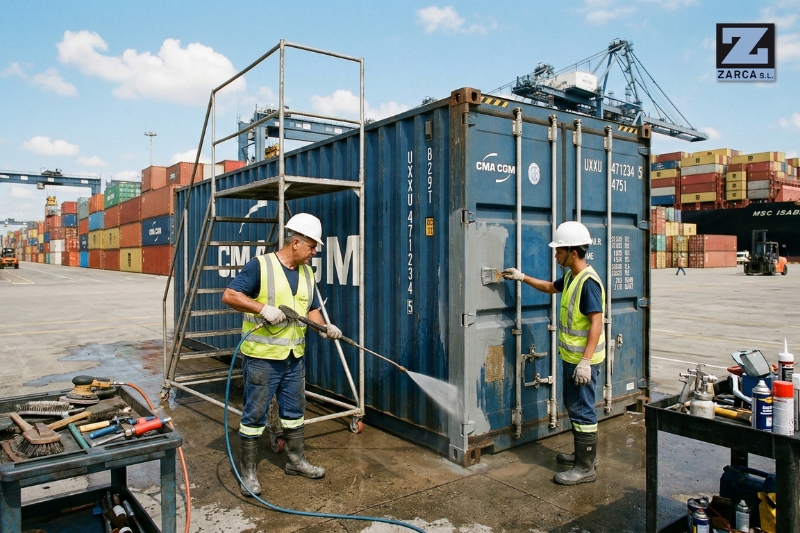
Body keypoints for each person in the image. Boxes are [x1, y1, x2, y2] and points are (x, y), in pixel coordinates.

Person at [222, 213, 343, 496]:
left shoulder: (308, 273)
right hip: (263, 358)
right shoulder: (260, 266)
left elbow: (310, 309)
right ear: (296, 242)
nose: (314, 253)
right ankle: (248, 473)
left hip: (294, 357)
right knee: (255, 415)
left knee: (293, 413)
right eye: (312, 247)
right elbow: (230, 295)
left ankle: (295, 461)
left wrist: (325, 328)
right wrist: (262, 309)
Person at [501, 221, 605, 486]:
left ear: (572, 252)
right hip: (572, 359)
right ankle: (584, 456)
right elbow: (550, 287)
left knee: (583, 412)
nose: (555, 254)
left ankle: (586, 468)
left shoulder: (588, 282)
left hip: (584, 362)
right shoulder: (571, 276)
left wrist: (584, 362)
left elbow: (596, 323)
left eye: (559, 250)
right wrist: (521, 277)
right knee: (575, 407)